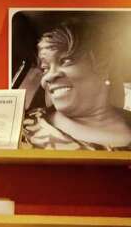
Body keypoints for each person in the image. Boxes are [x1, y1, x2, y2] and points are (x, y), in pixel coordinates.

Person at [20, 20, 131, 150]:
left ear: (104, 66)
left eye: (66, 61)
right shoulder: (21, 129)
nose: (48, 77)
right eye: (45, 68)